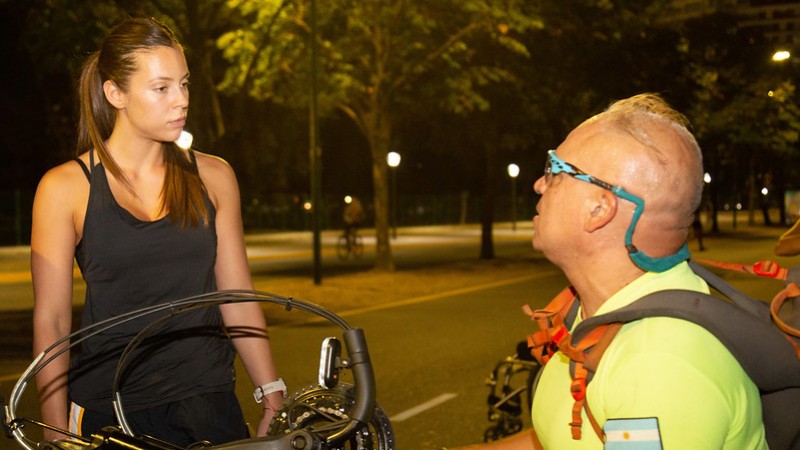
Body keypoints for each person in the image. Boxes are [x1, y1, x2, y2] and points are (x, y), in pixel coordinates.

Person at [452, 94, 766, 449]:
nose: (539, 184)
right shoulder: (599, 312)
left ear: (600, 209)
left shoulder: (659, 365)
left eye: (555, 170)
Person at [31, 17, 283, 447]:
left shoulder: (214, 176)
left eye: (184, 85)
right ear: (116, 94)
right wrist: (56, 433)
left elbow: (236, 297)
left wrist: (272, 396)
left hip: (208, 401)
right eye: (162, 88)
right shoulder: (64, 187)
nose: (181, 100)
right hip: (109, 411)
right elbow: (51, 320)